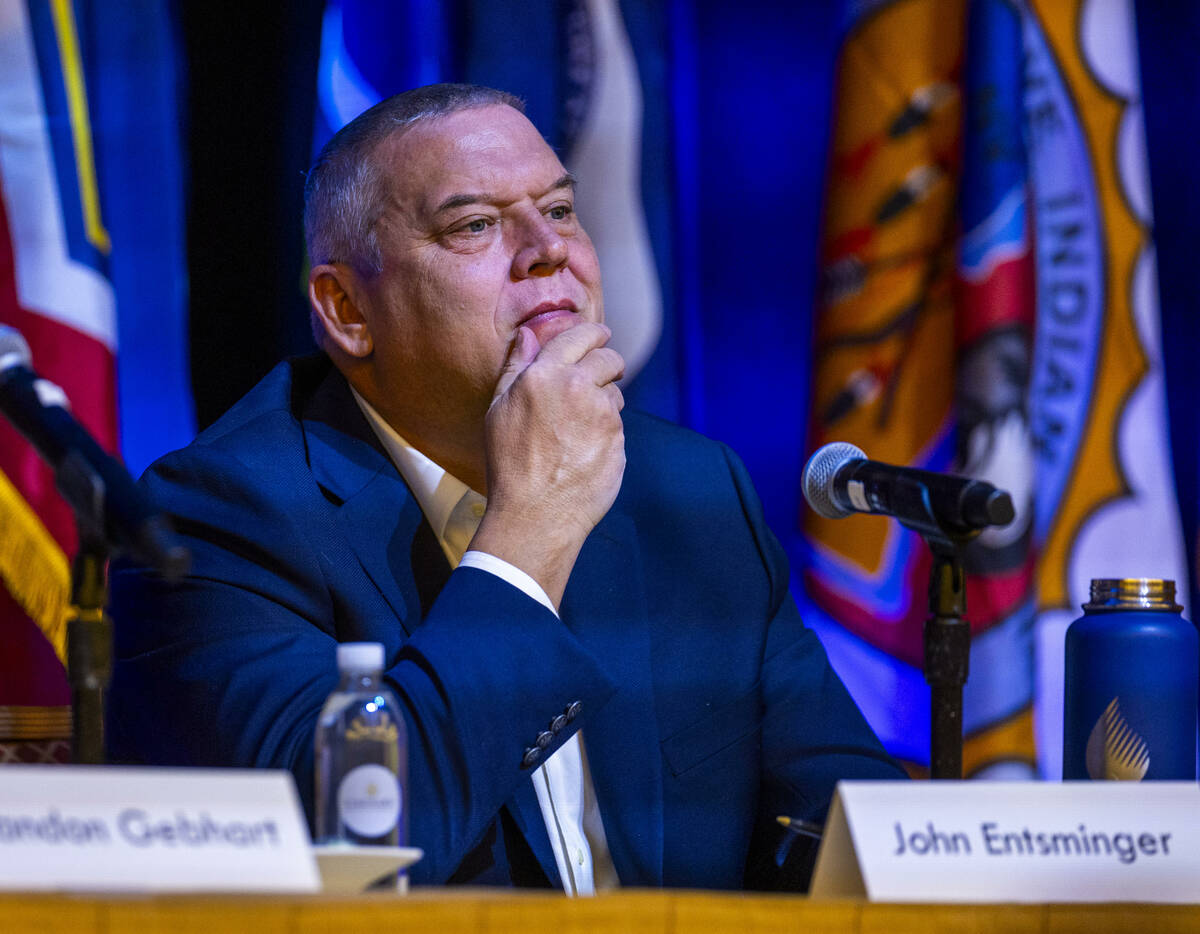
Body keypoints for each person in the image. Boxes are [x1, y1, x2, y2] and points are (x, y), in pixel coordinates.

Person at [106, 83, 905, 892]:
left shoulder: (690, 493)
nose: (548, 248)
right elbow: (341, 856)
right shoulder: (220, 520)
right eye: (475, 226)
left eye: (558, 210)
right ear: (347, 309)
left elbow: (852, 829)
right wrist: (531, 532)